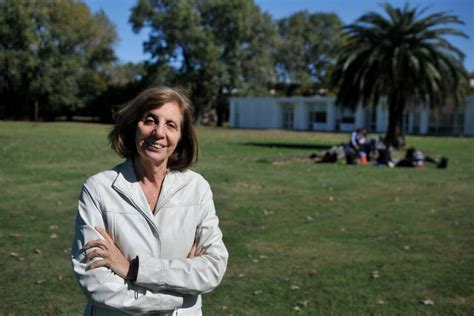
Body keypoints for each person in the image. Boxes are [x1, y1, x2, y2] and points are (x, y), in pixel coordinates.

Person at [71, 86, 229, 315]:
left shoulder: (198, 188)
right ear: (134, 125)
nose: (158, 132)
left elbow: (213, 268)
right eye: (150, 120)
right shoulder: (98, 189)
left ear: (181, 137)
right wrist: (176, 296)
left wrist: (134, 269)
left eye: (171, 125)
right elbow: (95, 282)